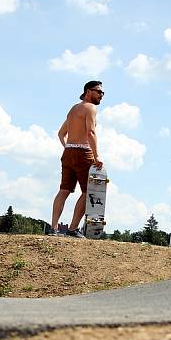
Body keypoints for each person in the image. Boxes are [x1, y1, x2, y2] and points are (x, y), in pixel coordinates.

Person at [48, 80, 104, 238]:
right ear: (88, 91)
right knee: (89, 192)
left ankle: (53, 228)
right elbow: (90, 132)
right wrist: (96, 155)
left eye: (102, 93)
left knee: (64, 190)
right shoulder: (90, 108)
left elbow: (61, 133)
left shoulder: (73, 109)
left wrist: (68, 147)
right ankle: (72, 228)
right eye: (98, 92)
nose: (101, 95)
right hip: (83, 153)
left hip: (68, 152)